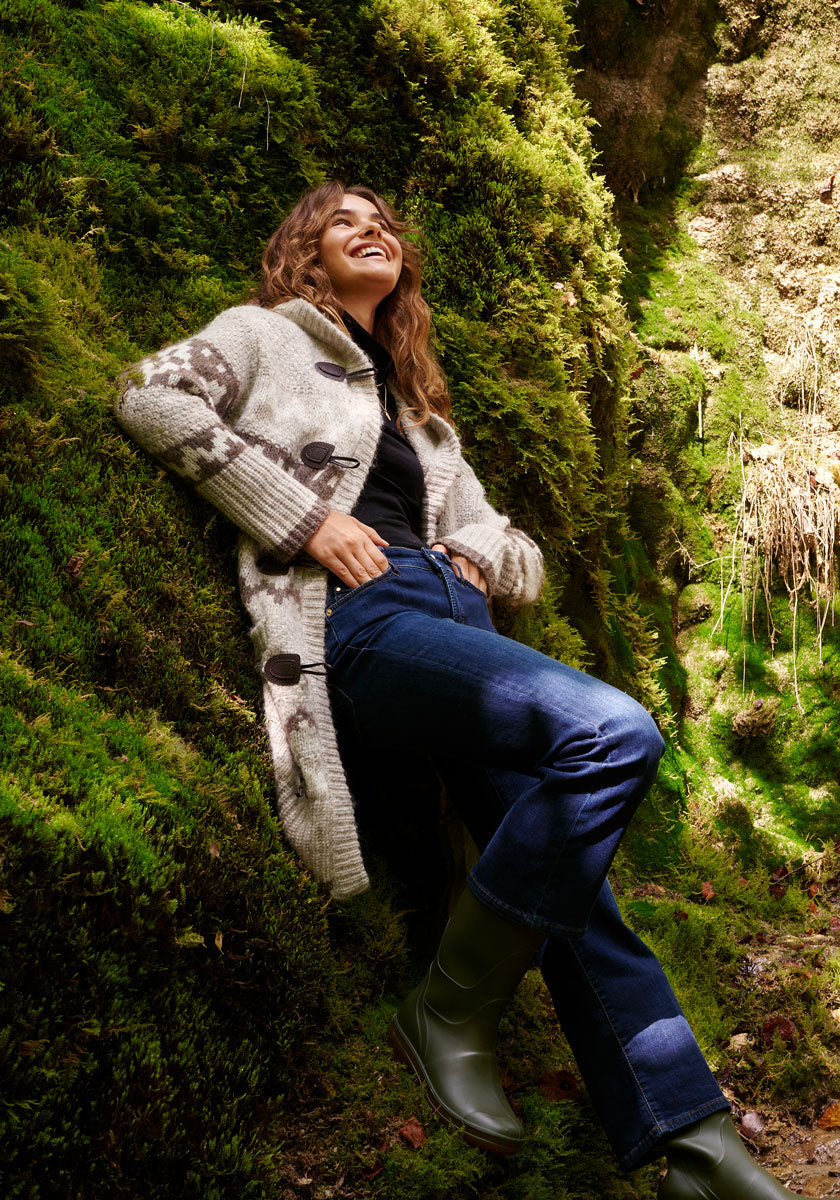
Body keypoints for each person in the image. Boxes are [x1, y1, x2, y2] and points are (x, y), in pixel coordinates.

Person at [117, 181, 817, 1199]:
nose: (372, 229)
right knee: (615, 734)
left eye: (383, 221)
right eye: (344, 219)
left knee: (571, 886)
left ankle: (698, 1144)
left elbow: (511, 544)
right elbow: (150, 395)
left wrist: (483, 553)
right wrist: (305, 518)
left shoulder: (423, 419)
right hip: (362, 621)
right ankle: (448, 1010)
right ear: (303, 250)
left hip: (459, 626)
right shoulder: (260, 336)